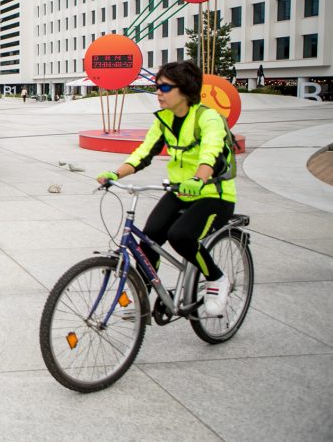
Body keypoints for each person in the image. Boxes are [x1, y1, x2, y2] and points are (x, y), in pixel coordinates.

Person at [96, 61, 235, 317]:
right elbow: (144, 152)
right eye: (156, 86)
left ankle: (216, 278)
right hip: (179, 192)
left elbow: (211, 153)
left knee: (180, 236)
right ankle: (144, 298)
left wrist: (199, 179)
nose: (158, 92)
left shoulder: (208, 118)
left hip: (214, 195)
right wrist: (115, 173)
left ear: (184, 90)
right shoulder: (164, 120)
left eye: (164, 87)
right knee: (148, 238)